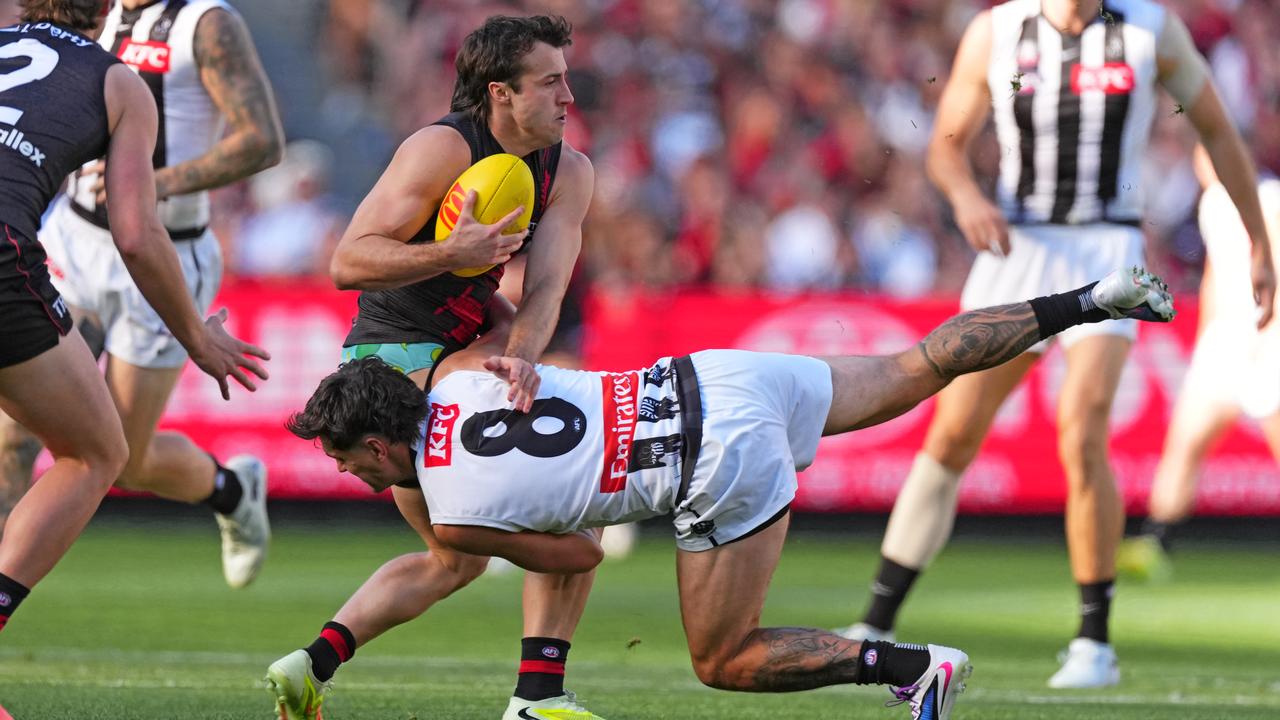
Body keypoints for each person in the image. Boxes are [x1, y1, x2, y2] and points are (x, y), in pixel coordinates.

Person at [290, 267, 1175, 720]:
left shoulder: (455, 512)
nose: (349, 477)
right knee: (915, 368)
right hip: (713, 377)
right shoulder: (459, 373)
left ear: (376, 441)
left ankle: (913, 670)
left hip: (711, 457)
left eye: (347, 461)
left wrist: (532, 523)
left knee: (723, 662)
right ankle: (1090, 299)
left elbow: (581, 553)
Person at [833, 0, 1276, 689]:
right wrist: (965, 199)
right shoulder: (997, 32)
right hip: (1018, 244)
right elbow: (945, 145)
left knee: (1082, 427)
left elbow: (1218, 132)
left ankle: (1093, 642)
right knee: (952, 435)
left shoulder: (1149, 30)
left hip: (1108, 246)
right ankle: (878, 619)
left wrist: (1256, 241)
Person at [264, 15, 602, 720]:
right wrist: (452, 254)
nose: (569, 94)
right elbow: (348, 261)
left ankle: (311, 662)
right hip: (395, 358)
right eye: (551, 81)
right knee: (570, 492)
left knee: (455, 561)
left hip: (462, 345)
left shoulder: (569, 169)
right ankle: (538, 698)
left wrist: (522, 356)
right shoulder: (440, 147)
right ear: (501, 92)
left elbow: (545, 291)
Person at [0, 0, 267, 635]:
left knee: (125, 456)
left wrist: (156, 182)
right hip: (71, 243)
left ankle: (231, 491)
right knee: (38, 443)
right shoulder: (108, 55)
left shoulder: (206, 20)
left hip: (167, 255)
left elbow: (263, 141)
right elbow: (131, 227)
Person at [1117, 146, 1280, 580]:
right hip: (1223, 345)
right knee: (1185, 443)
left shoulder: (1269, 198)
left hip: (1266, 343)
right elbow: (1216, 274)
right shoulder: (1213, 203)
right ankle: (1156, 541)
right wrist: (1208, 333)